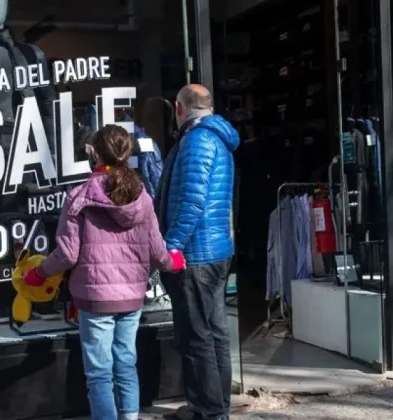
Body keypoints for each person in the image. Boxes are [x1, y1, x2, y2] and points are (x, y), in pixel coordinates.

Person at [23, 125, 186, 420]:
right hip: (132, 297)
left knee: (99, 373)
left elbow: (67, 254)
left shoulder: (79, 197)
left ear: (93, 152)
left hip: (96, 297)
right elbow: (157, 253)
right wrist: (174, 261)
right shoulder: (143, 198)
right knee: (126, 363)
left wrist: (38, 274)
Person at [156, 84, 240, 420]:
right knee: (215, 333)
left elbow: (190, 202)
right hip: (215, 250)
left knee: (197, 337)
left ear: (179, 108)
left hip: (196, 255)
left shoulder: (196, 141)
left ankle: (207, 411)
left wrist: (170, 248)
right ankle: (217, 407)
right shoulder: (216, 138)